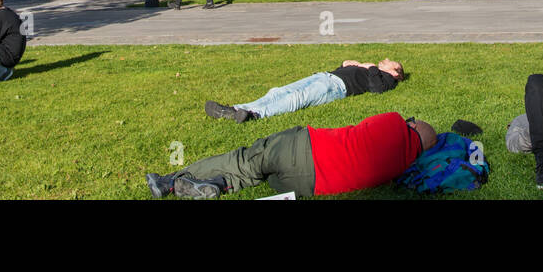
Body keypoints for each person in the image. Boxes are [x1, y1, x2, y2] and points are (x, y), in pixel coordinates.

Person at [146, 111, 437, 199]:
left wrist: (407, 123)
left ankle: (171, 180)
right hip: (303, 186)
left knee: (244, 160)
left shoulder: (394, 123)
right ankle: (217, 186)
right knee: (252, 176)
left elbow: (367, 125)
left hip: (304, 148)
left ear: (412, 127)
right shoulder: (400, 167)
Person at [204, 58, 406, 122]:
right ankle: (235, 110)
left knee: (297, 98)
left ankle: (254, 114)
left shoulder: (387, 79)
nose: (385, 60)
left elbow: (377, 89)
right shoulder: (374, 70)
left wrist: (369, 66)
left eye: (390, 62)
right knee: (278, 91)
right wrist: (345, 64)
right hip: (325, 76)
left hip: (335, 87)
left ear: (396, 73)